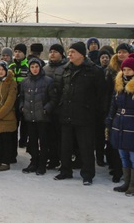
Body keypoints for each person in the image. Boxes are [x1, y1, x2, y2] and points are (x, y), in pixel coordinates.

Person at [53, 42, 104, 185]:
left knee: (86, 147)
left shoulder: (94, 71)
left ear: (82, 54)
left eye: (73, 52)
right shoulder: (65, 69)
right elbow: (60, 91)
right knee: (66, 146)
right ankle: (65, 171)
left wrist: (96, 113)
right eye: (69, 52)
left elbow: (100, 95)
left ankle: (87, 174)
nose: (69, 54)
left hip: (85, 115)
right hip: (66, 113)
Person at [106, 53, 134, 197]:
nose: (126, 72)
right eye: (124, 70)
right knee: (123, 155)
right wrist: (109, 119)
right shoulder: (119, 85)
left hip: (133, 124)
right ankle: (126, 182)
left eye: (129, 70)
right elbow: (113, 105)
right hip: (119, 124)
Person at [20, 58, 53, 175]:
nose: (34, 69)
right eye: (32, 67)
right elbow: (22, 97)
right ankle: (34, 162)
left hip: (43, 118)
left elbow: (53, 99)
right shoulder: (25, 82)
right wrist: (22, 107)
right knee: (32, 141)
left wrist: (46, 109)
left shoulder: (48, 81)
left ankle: (42, 164)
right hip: (29, 116)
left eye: (36, 66)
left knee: (43, 142)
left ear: (40, 67)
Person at [43, 44, 68, 170]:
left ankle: (63, 160)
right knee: (50, 136)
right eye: (51, 51)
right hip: (48, 109)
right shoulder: (45, 68)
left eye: (55, 52)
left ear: (61, 54)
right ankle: (52, 159)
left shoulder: (66, 68)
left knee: (62, 138)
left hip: (61, 108)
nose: (52, 54)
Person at [10, 43, 29, 152]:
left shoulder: (28, 66)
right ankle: (13, 142)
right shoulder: (10, 66)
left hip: (25, 98)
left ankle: (23, 141)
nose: (17, 54)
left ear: (24, 54)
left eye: (20, 52)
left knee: (25, 123)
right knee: (14, 122)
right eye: (16, 51)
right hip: (13, 99)